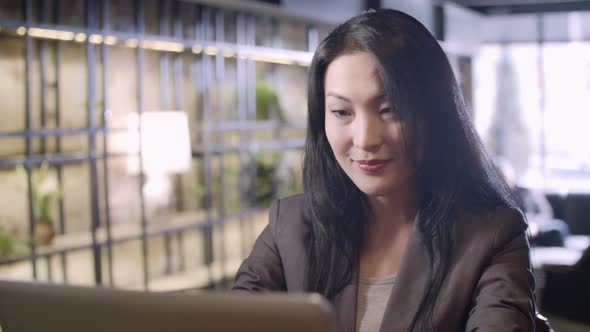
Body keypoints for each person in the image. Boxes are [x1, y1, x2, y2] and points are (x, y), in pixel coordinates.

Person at [233, 9, 536, 331]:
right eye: (341, 112)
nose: (365, 139)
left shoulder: (492, 235)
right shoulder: (290, 226)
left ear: (434, 113)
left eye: (389, 109)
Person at [495, 157, 570, 247]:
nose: (502, 182)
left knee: (559, 228)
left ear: (512, 176)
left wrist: (535, 225)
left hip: (536, 229)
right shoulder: (494, 197)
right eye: (498, 178)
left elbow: (546, 212)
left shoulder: (528, 192)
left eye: (504, 177)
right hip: (511, 233)